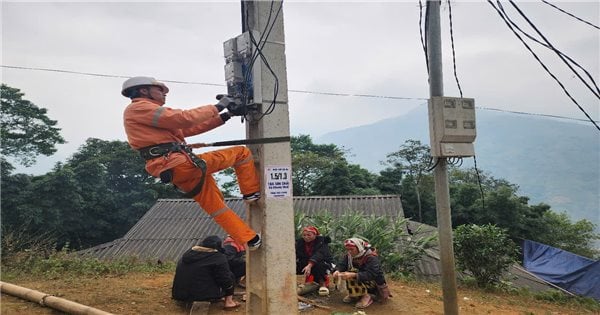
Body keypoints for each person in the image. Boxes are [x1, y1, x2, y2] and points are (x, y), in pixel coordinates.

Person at [121, 76, 261, 250]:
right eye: (160, 90)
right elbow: (185, 118)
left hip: (174, 169)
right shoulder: (140, 108)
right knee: (241, 153)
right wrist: (219, 105)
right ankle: (251, 193)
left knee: (216, 206)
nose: (164, 95)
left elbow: (188, 128)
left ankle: (250, 239)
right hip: (180, 163)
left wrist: (227, 114)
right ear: (143, 90)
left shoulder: (148, 116)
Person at [171, 235, 240, 310]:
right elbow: (225, 279)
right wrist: (229, 289)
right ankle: (229, 302)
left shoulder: (188, 254)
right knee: (229, 275)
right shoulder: (218, 258)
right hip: (201, 295)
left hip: (179, 294)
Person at [332, 237, 391, 309]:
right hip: (362, 279)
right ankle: (354, 294)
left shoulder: (371, 257)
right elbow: (342, 265)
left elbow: (372, 274)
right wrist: (337, 270)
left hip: (373, 282)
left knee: (352, 273)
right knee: (348, 273)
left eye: (351, 249)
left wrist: (354, 275)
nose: (349, 251)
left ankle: (366, 296)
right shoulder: (349, 256)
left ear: (359, 248)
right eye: (348, 250)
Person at [295, 226, 333, 296]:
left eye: (309, 235)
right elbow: (296, 254)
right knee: (294, 266)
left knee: (319, 265)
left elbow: (319, 254)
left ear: (315, 235)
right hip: (306, 263)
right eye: (304, 235)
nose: (306, 237)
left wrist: (310, 265)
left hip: (321, 263)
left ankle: (322, 284)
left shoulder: (322, 242)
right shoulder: (300, 242)